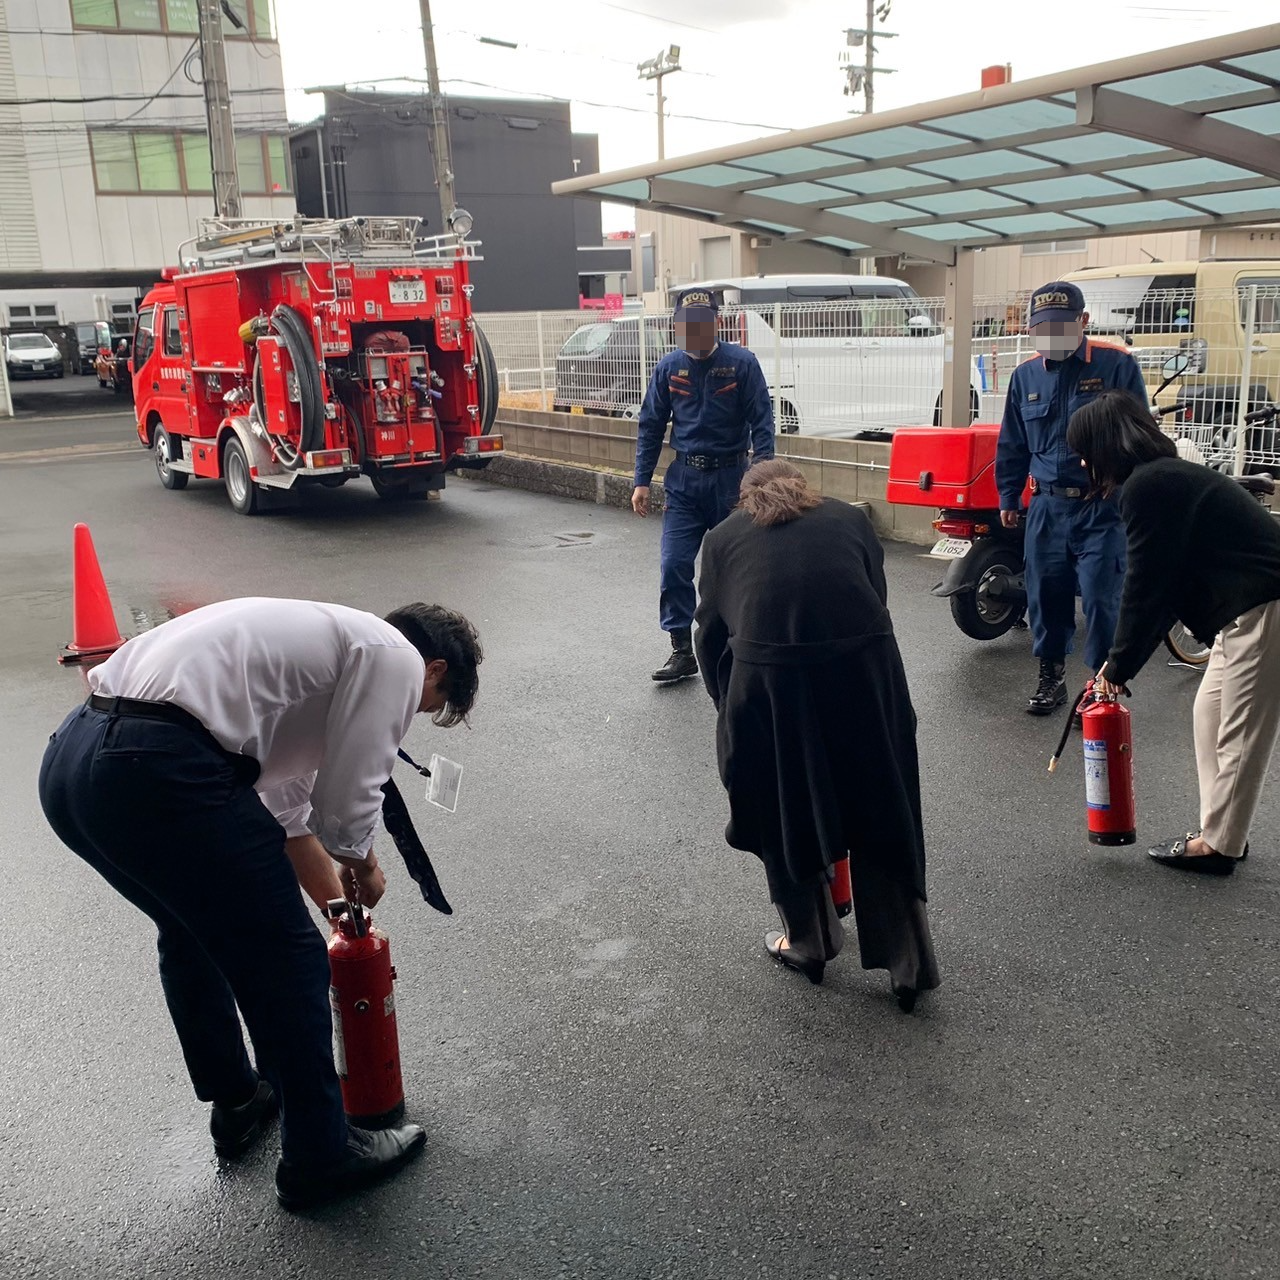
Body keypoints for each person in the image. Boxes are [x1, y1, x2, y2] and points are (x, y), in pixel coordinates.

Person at [38, 598, 483, 1208]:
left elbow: (291, 819)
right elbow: (348, 803)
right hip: (158, 764)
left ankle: (240, 1101)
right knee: (291, 963)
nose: (410, 716)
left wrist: (340, 909)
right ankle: (320, 1157)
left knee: (191, 932)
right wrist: (365, 865)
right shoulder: (391, 656)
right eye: (426, 707)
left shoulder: (313, 662)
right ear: (432, 669)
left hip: (76, 763)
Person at [694, 461, 940, 1009]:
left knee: (783, 808)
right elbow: (874, 593)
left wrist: (726, 706)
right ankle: (909, 963)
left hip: (773, 685)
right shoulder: (850, 520)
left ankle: (810, 941)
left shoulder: (721, 538)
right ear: (804, 487)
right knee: (884, 803)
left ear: (745, 498)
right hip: (865, 673)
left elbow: (710, 635)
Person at [1068, 391, 1280, 876]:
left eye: (1084, 450)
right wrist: (1116, 664)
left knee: (1239, 732)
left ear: (1105, 446)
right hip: (1241, 615)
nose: (1082, 461)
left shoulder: (1151, 486)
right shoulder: (1162, 478)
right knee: (1211, 716)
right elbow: (1163, 586)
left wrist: (1118, 669)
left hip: (1265, 608)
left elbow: (1146, 586)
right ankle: (1223, 828)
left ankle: (1221, 845)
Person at [996, 281, 1150, 716]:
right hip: (1047, 505)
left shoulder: (1116, 365)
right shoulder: (1024, 375)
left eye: (1061, 328)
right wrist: (1009, 494)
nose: (1051, 338)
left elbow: (1139, 432)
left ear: (1083, 322)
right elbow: (1012, 442)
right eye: (1042, 330)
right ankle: (1051, 679)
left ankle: (1100, 689)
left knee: (1103, 598)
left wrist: (1127, 484)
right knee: (1046, 593)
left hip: (1102, 505)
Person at [632, 287, 775, 683]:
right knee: (674, 563)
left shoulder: (742, 364)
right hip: (684, 482)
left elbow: (763, 424)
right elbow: (651, 425)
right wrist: (641, 480)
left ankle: (740, 640)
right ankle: (681, 649)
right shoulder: (668, 368)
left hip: (734, 480)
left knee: (737, 565)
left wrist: (759, 480)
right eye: (687, 323)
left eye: (703, 322)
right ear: (676, 326)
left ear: (717, 323)